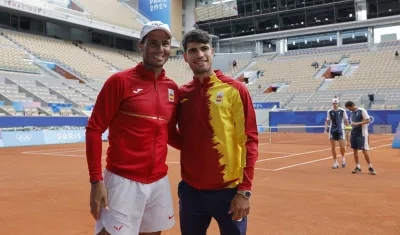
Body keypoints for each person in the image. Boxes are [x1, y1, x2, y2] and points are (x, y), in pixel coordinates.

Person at [85, 21, 179, 235]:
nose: (160, 49)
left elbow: (170, 134)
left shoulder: (172, 88)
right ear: (141, 46)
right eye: (153, 43)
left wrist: (203, 148)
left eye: (165, 43)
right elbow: (94, 129)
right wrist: (96, 180)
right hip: (122, 181)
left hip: (158, 181)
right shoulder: (119, 82)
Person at [175, 29, 259, 235]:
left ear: (212, 52)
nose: (199, 54)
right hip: (191, 191)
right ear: (185, 57)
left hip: (229, 192)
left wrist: (244, 191)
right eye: (193, 50)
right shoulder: (181, 94)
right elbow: (168, 132)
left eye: (204, 49)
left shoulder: (235, 89)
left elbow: (250, 141)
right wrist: (191, 147)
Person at [344, 101, 377, 175]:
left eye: (349, 108)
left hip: (362, 134)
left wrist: (357, 123)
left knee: (364, 151)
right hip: (354, 133)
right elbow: (352, 123)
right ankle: (358, 167)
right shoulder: (351, 113)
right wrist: (348, 129)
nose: (349, 110)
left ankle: (370, 167)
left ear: (352, 105)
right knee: (354, 150)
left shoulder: (362, 111)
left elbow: (368, 120)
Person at [324, 98, 349, 169]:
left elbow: (346, 120)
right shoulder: (329, 111)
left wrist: (348, 129)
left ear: (338, 104)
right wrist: (325, 129)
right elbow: (327, 121)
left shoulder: (342, 111)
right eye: (333, 103)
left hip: (340, 130)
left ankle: (343, 158)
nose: (335, 105)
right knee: (333, 147)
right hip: (332, 130)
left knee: (342, 146)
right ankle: (335, 162)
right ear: (332, 104)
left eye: (336, 103)